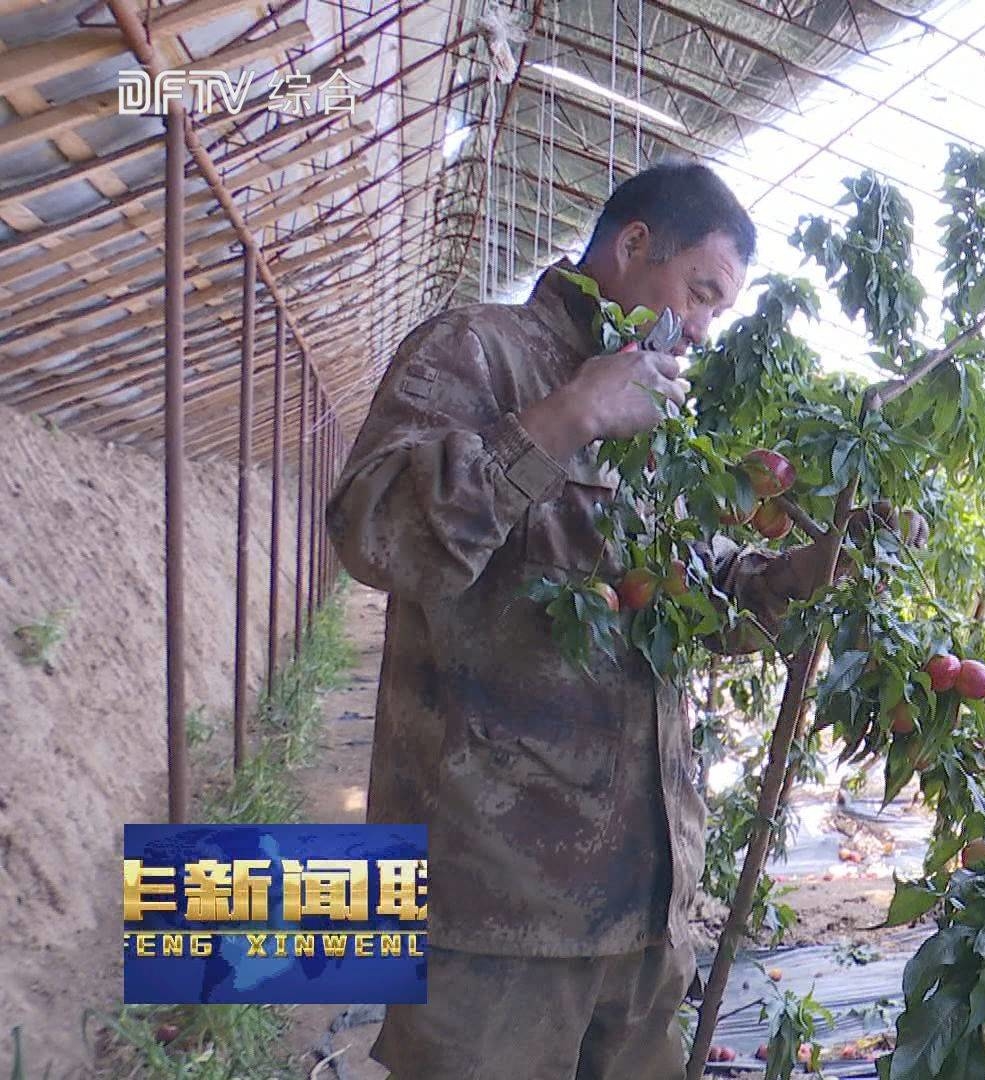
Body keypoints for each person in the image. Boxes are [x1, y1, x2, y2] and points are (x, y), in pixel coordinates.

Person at [326, 160, 863, 1078]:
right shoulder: (476, 353)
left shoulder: (661, 417)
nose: (700, 328)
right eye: (699, 293)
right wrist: (563, 419)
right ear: (633, 244)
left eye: (717, 312)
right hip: (498, 912)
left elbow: (690, 595)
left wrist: (809, 572)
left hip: (645, 912)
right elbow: (372, 535)